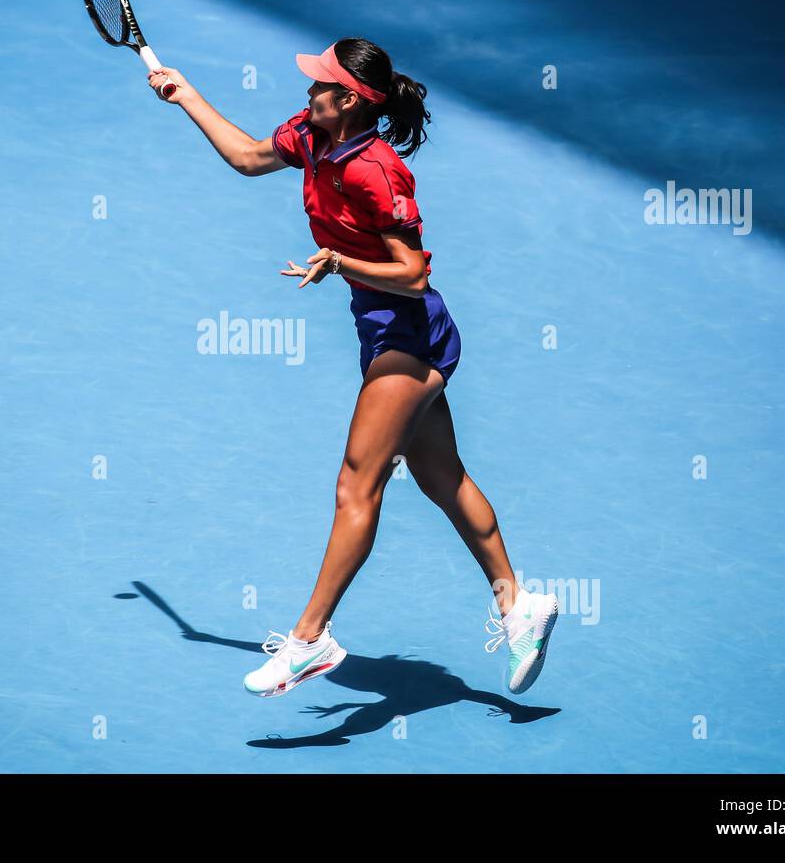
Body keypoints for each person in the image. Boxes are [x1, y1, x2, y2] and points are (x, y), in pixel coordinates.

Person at [147, 37, 558, 698]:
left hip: (411, 334)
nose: (308, 91)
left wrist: (343, 261)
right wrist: (187, 95)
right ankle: (520, 606)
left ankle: (310, 639)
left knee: (356, 486)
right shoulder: (311, 135)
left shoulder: (377, 170)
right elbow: (250, 158)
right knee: (441, 479)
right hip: (381, 331)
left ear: (350, 100)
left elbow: (415, 276)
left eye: (320, 85)